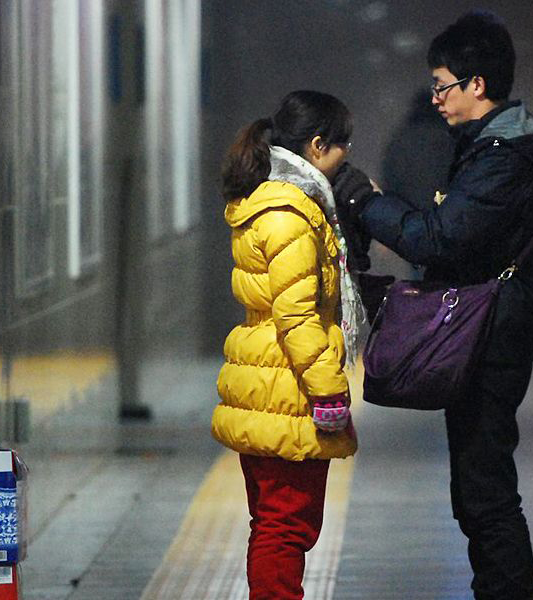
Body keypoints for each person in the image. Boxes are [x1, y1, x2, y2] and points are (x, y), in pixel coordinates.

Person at [334, 11, 533, 600]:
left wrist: (365, 200)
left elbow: (440, 236)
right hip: (496, 316)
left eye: (442, 85)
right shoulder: (492, 146)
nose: (435, 97)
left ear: (477, 86)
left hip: (495, 323)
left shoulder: (503, 158)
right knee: (477, 484)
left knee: (486, 486)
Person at [211, 90, 363, 599]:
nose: (347, 157)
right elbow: (297, 314)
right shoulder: (290, 213)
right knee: (285, 527)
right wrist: (329, 391)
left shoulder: (272, 201)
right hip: (287, 388)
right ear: (318, 146)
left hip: (267, 381)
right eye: (343, 145)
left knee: (275, 523)